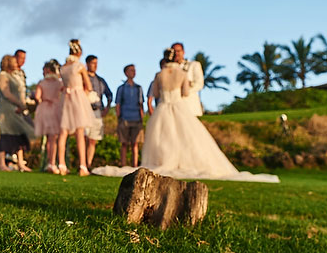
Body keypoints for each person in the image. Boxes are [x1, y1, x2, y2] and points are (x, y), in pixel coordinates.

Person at [91, 53, 278, 182]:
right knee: (184, 137)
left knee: (163, 139)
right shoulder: (182, 73)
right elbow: (186, 92)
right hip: (179, 107)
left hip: (164, 108)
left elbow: (155, 93)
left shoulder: (159, 74)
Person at [57, 39, 96, 176]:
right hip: (78, 98)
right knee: (80, 133)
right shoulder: (79, 66)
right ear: (79, 52)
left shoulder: (63, 67)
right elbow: (89, 86)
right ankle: (82, 166)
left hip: (66, 99)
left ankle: (61, 164)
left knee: (63, 133)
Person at [0, 54, 33, 172]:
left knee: (20, 134)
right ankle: (2, 163)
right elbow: (5, 93)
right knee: (6, 135)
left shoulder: (15, 76)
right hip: (8, 109)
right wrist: (19, 103)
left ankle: (21, 163)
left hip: (17, 109)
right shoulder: (3, 75)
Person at [33, 59, 64, 173]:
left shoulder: (41, 83)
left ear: (47, 70)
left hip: (45, 108)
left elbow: (37, 97)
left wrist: (41, 100)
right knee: (54, 137)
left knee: (49, 138)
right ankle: (54, 163)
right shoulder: (59, 82)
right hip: (56, 108)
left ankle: (49, 163)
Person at [84, 54, 112, 169]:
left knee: (93, 139)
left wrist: (107, 108)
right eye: (93, 63)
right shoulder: (83, 77)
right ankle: (83, 163)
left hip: (97, 111)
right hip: (85, 110)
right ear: (87, 64)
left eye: (96, 63)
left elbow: (109, 95)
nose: (95, 66)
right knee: (84, 137)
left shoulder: (100, 80)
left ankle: (88, 163)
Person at [114, 64, 145, 167]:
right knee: (124, 143)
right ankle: (123, 165)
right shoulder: (121, 88)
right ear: (126, 73)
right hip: (125, 118)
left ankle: (135, 165)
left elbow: (141, 104)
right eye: (131, 70)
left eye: (134, 70)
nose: (133, 72)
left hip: (136, 118)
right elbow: (117, 104)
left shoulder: (138, 88)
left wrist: (142, 117)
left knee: (135, 143)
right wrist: (119, 118)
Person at [167, 42, 204, 116]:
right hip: (173, 108)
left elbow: (199, 84)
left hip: (190, 106)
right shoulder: (168, 68)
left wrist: (184, 91)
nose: (176, 53)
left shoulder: (194, 65)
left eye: (178, 51)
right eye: (174, 51)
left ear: (183, 52)